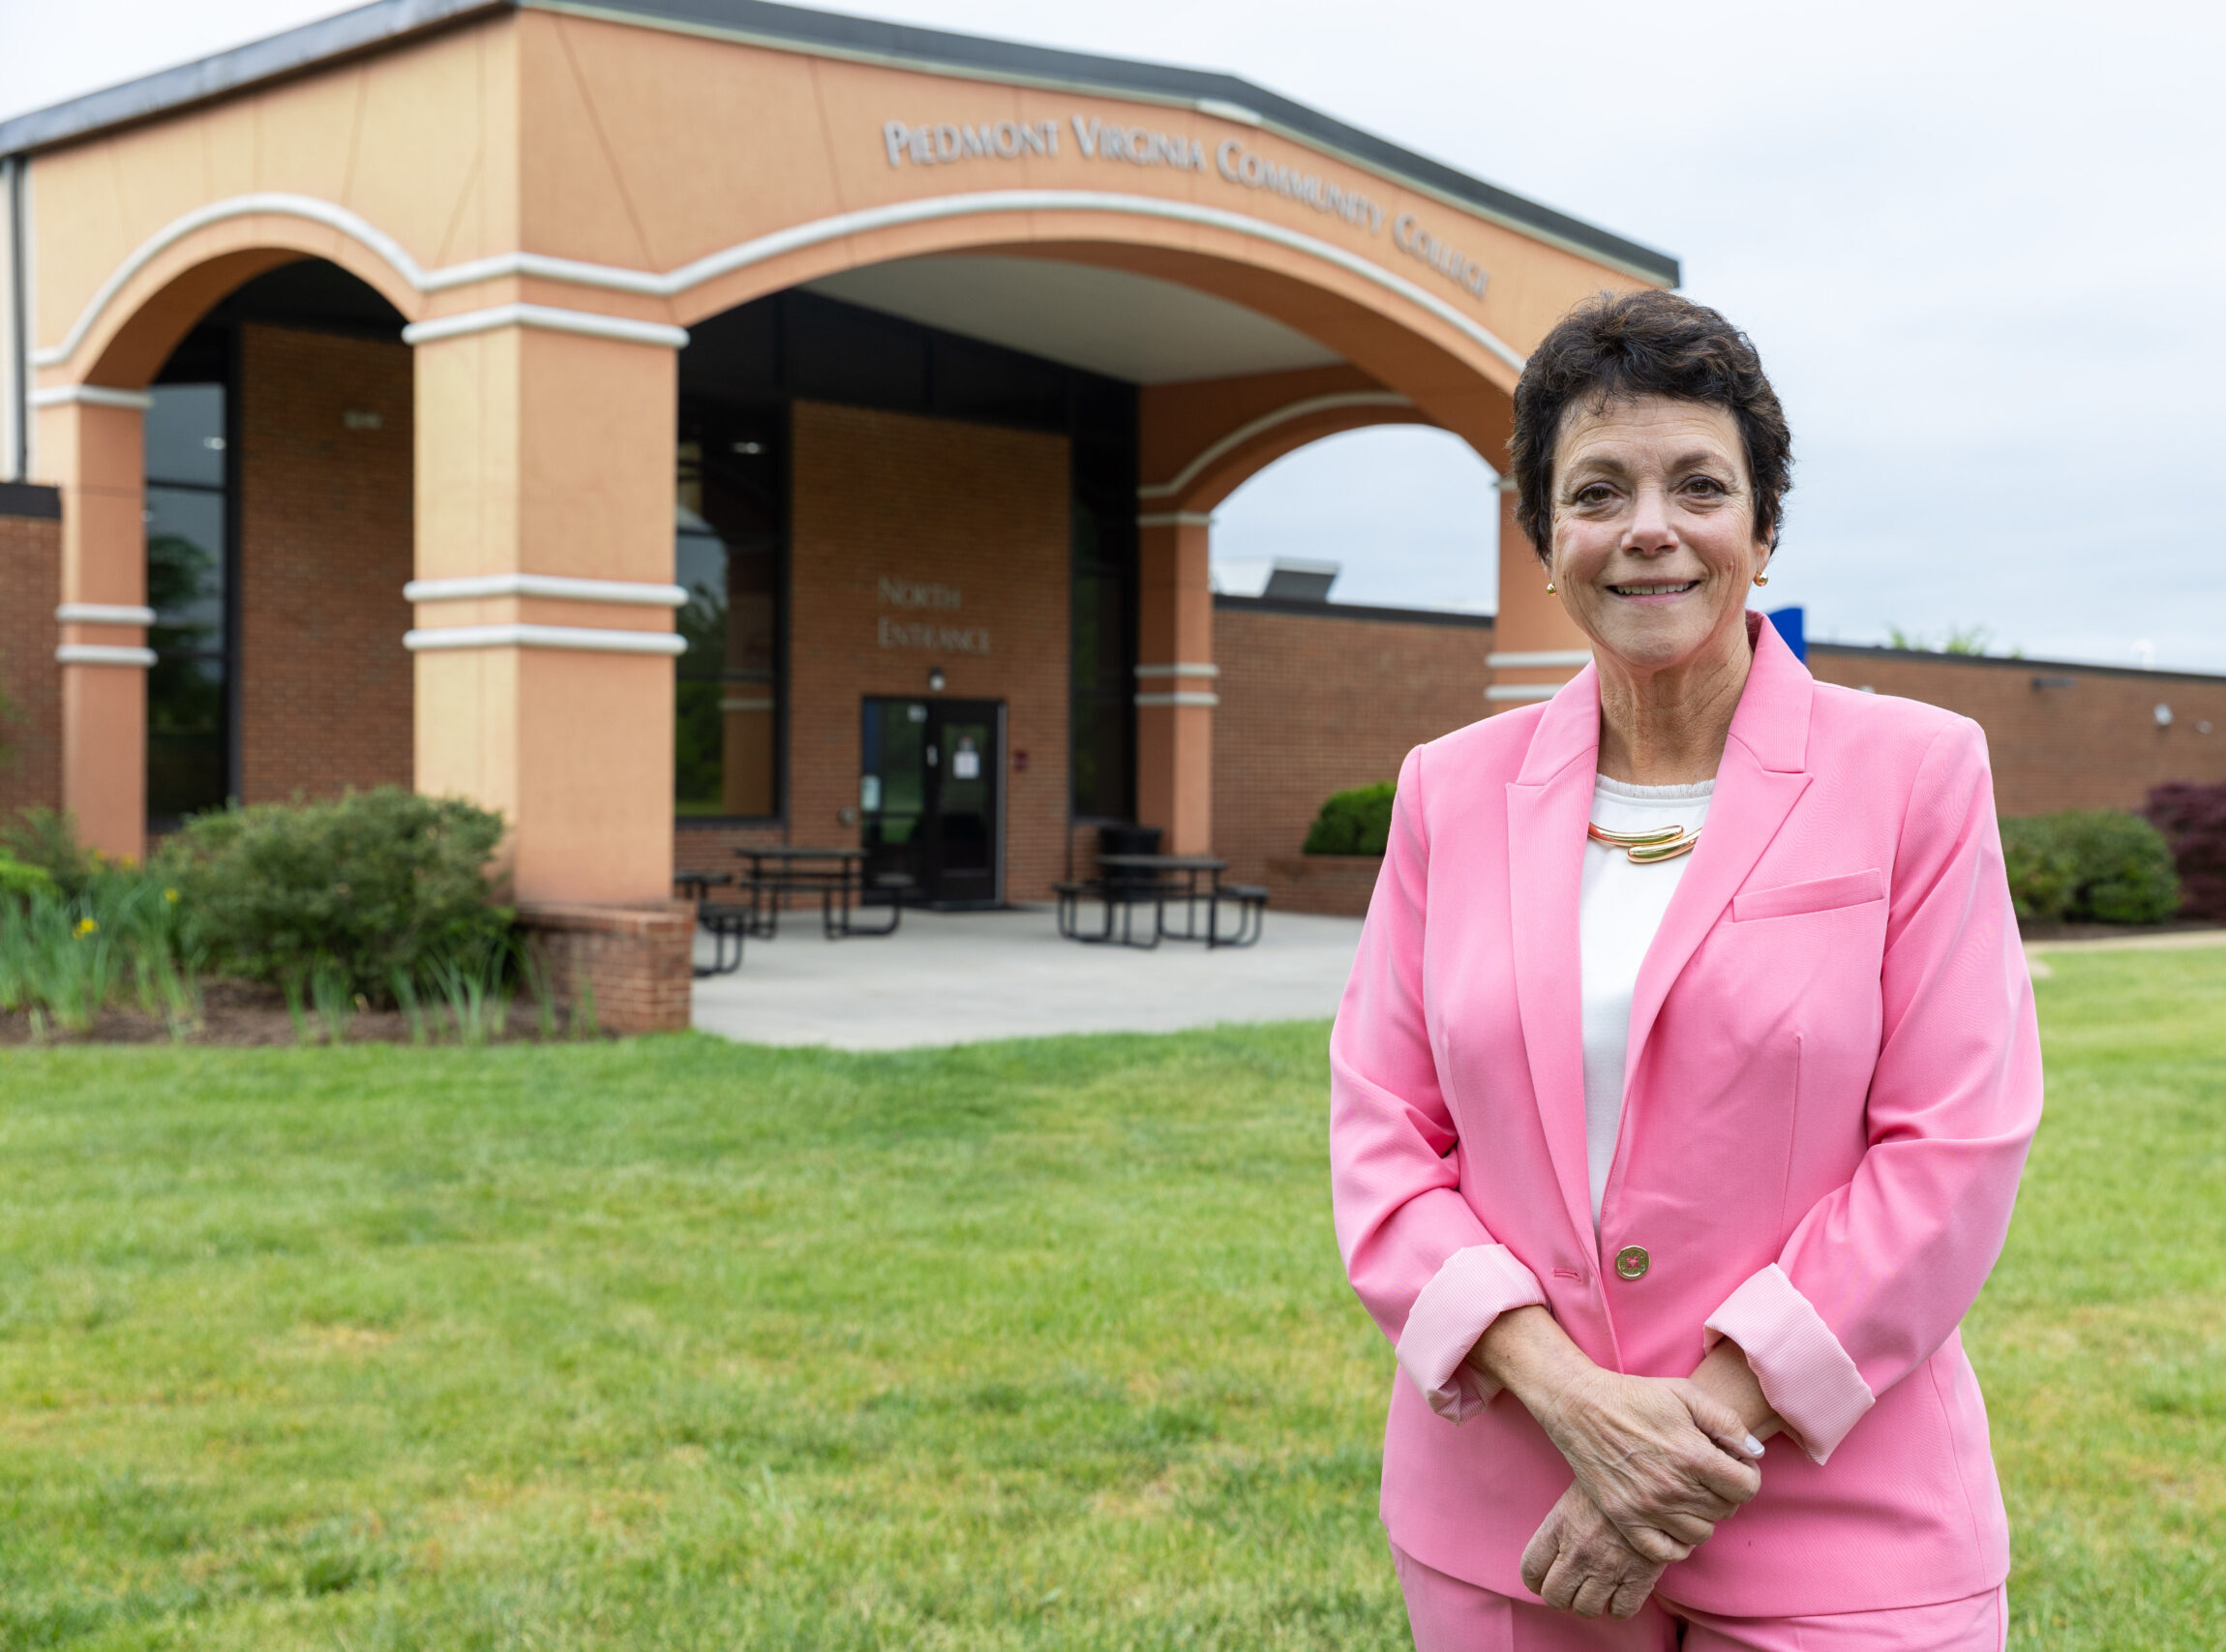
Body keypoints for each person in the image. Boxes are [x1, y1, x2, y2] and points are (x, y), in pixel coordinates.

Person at [1329, 288, 2041, 1651]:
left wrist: (1684, 1439)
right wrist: (1574, 1405)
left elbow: (1954, 1146)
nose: (1648, 526)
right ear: (1548, 543)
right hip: (1514, 1522)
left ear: (1762, 533)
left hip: (1839, 1516)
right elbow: (1384, 1142)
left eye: (1700, 486)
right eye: (1598, 490)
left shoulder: (1917, 775)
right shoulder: (1445, 792)